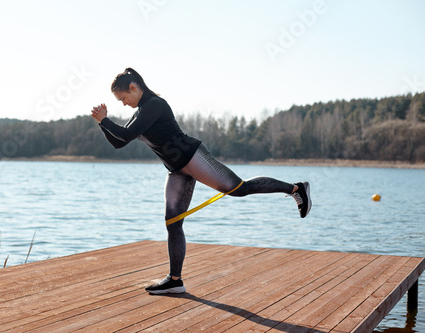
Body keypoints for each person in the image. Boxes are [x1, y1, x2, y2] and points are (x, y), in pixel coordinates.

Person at [91, 68, 311, 295]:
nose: (124, 104)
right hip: (176, 169)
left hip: (193, 157)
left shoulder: (155, 105)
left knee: (239, 189)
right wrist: (102, 123)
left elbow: (125, 135)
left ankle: (296, 188)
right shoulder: (139, 114)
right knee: (173, 221)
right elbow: (119, 143)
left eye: (123, 98)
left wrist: (104, 120)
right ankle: (175, 280)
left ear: (134, 88)